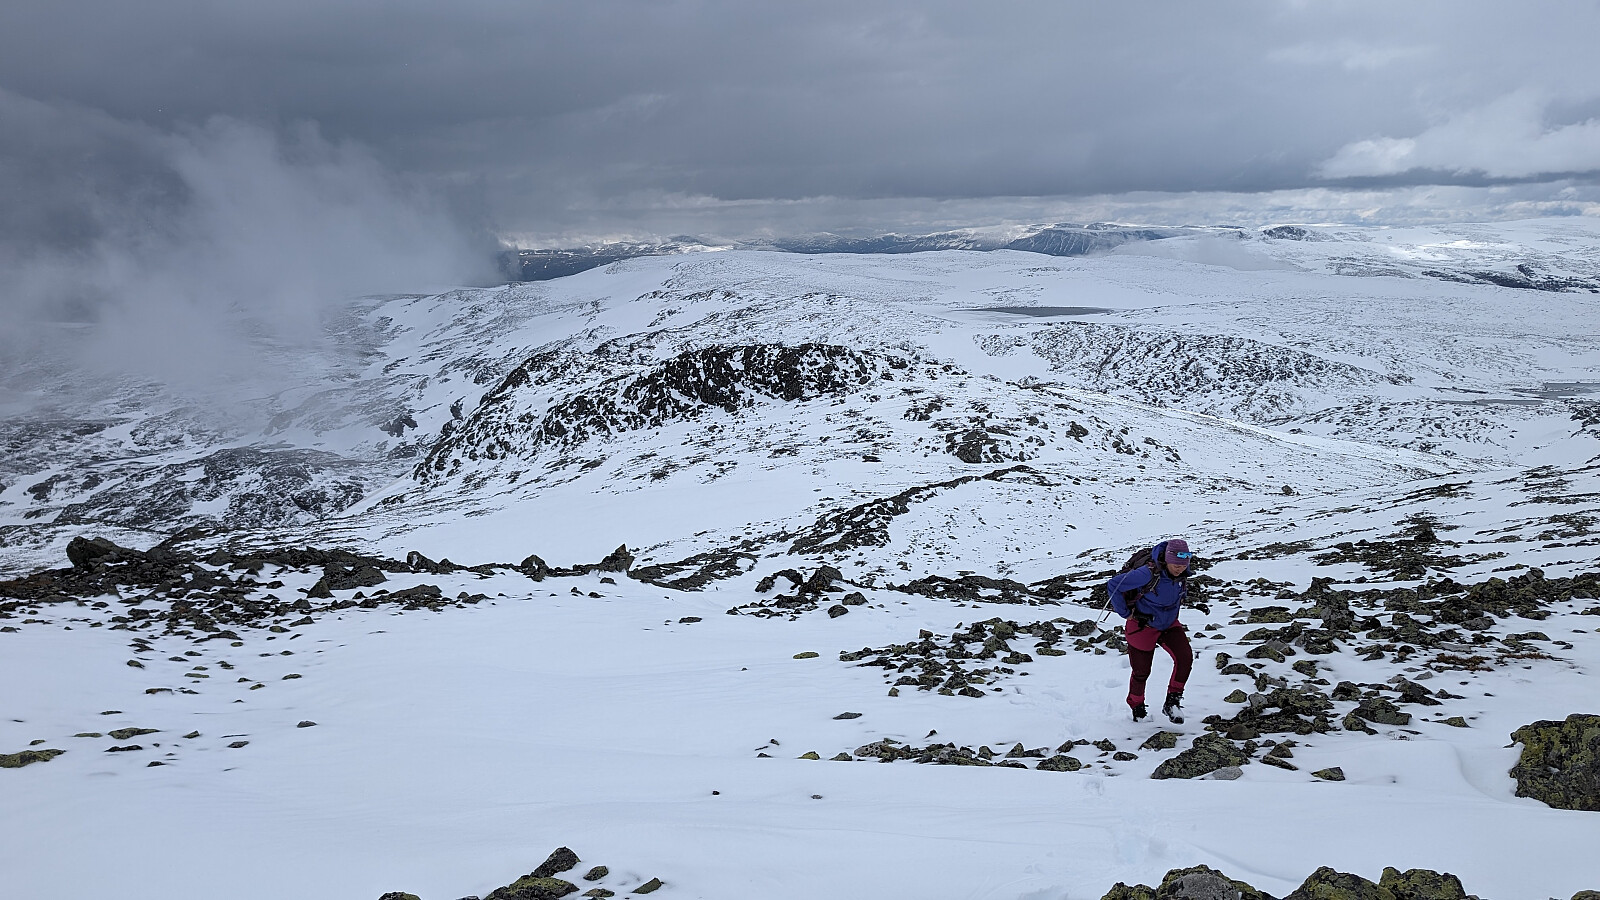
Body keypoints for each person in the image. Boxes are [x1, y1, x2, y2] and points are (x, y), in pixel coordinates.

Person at [1105, 538, 1194, 723]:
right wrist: (1125, 613)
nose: (1180, 569)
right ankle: (1137, 707)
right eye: (1176, 565)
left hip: (1169, 624)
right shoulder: (1147, 574)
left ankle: (1172, 702)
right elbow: (1114, 585)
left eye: (1183, 565)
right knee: (1141, 672)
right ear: (1167, 560)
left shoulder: (1181, 574)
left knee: (1185, 658)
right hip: (1142, 626)